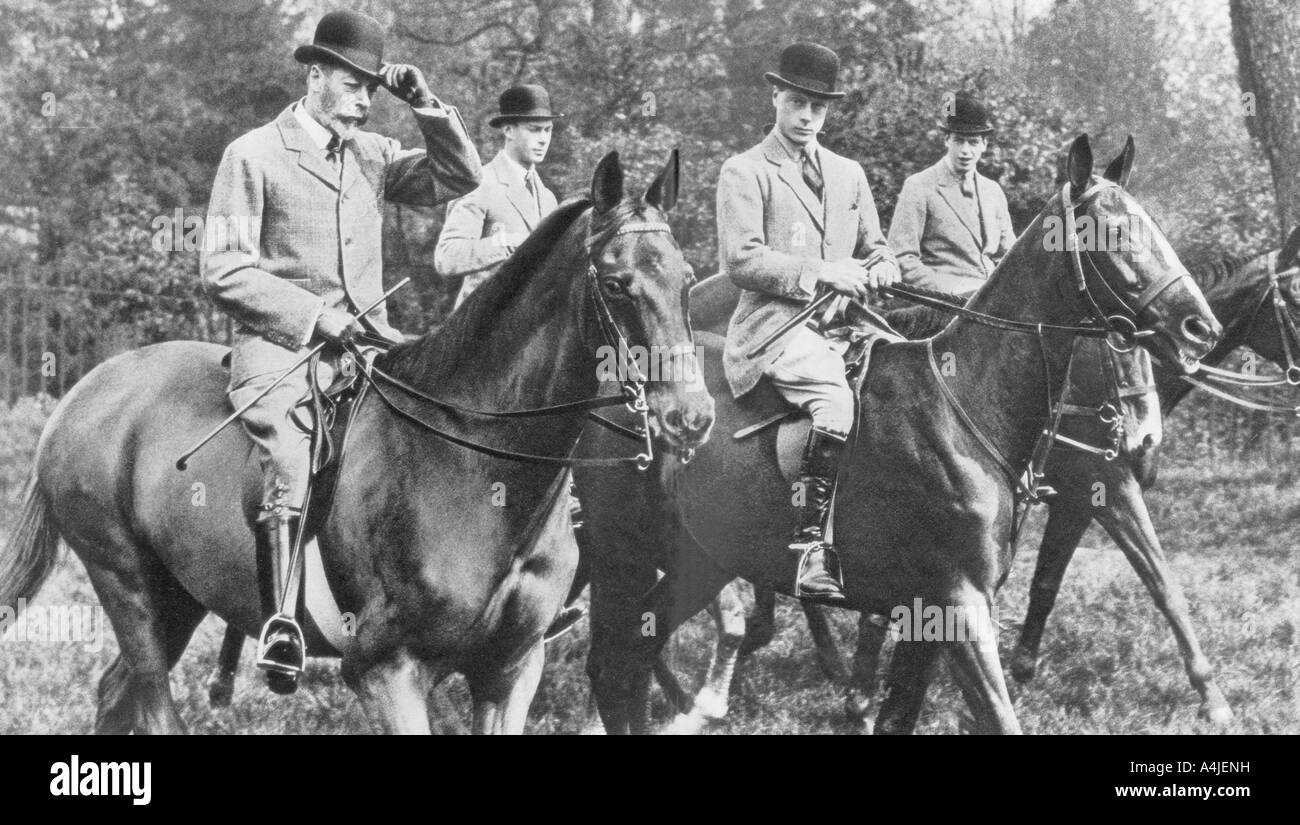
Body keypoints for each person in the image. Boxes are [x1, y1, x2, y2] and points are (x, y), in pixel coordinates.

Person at [200, 8, 481, 692]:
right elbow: (224, 268)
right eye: (353, 84)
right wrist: (316, 318)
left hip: (372, 348)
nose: (364, 99)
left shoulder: (374, 155)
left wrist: (426, 105)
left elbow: (461, 180)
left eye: (372, 89)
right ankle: (281, 624)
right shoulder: (252, 154)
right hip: (283, 349)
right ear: (317, 74)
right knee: (290, 457)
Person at [719, 42, 899, 604]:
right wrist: (823, 272)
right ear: (775, 96)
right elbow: (741, 260)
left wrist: (884, 265)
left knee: (909, 381)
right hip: (775, 328)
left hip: (845, 324)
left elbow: (877, 247)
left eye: (817, 108)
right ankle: (807, 550)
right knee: (836, 403)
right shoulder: (745, 170)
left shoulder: (849, 174)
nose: (806, 118)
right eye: (797, 102)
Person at [436, 84, 561, 308]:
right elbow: (447, 257)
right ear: (508, 130)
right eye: (534, 129)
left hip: (527, 328)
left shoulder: (548, 198)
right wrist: (507, 243)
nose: (543, 139)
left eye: (548, 129)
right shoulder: (481, 184)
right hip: (480, 325)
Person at [888, 92, 1015, 297]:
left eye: (973, 142)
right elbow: (902, 257)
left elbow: (1009, 257)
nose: (965, 151)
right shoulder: (919, 186)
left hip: (989, 303)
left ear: (984, 145)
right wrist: (949, 291)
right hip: (942, 303)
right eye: (959, 140)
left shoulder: (993, 191)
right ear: (947, 140)